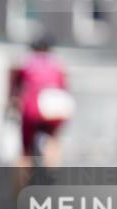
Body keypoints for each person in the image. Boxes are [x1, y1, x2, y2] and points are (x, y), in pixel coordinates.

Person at [8, 34, 73, 169]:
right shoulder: (58, 63)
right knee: (53, 142)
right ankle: (52, 172)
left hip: (32, 107)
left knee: (25, 150)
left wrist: (11, 105)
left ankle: (21, 178)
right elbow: (64, 88)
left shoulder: (25, 61)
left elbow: (14, 87)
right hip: (55, 108)